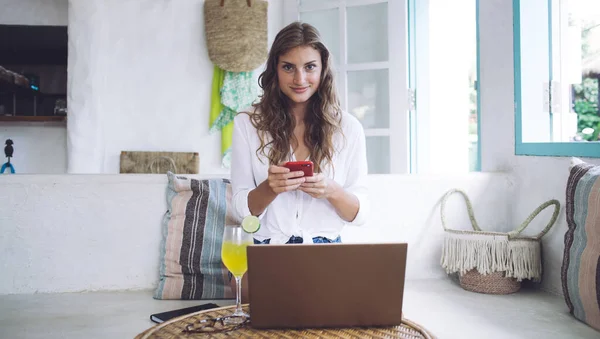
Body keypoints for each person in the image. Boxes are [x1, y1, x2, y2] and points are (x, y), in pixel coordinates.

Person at [230, 21, 369, 248]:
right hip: (268, 250)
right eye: (288, 67)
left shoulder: (348, 128)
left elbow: (360, 214)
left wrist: (331, 190)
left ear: (323, 69)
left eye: (310, 67)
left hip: (327, 253)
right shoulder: (247, 123)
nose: (300, 79)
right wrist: (270, 188)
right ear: (275, 69)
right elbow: (240, 211)